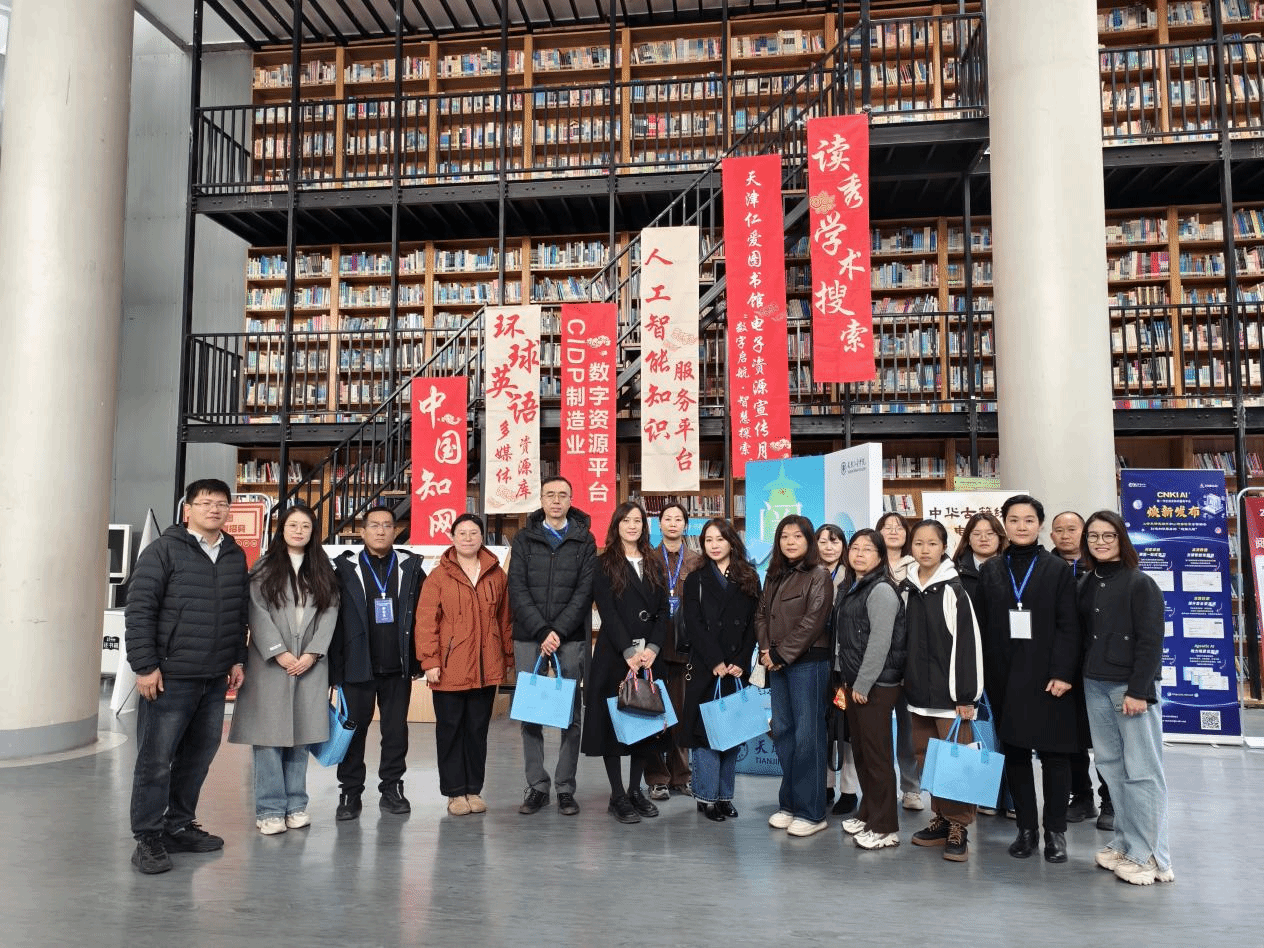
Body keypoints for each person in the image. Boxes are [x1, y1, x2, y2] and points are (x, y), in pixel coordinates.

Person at [125, 478, 249, 874]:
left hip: (213, 677)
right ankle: (147, 837)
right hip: (170, 675)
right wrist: (145, 666)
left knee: (198, 756)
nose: (214, 509)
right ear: (188, 509)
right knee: (157, 760)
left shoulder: (233, 554)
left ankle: (177, 826)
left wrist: (237, 658)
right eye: (206, 502)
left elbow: (238, 613)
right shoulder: (163, 550)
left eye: (221, 503)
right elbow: (139, 610)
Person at [975, 494, 1081, 863]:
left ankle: (1055, 832)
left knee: (1055, 756)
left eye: (1029, 520)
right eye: (1014, 520)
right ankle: (1026, 829)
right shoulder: (991, 570)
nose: (1021, 526)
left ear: (1040, 525)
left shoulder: (1056, 569)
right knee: (1015, 753)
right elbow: (981, 627)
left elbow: (1070, 626)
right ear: (1004, 524)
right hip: (1004, 677)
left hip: (1049, 678)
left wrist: (1062, 673)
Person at [228, 504, 339, 835]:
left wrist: (313, 653)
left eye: (305, 526)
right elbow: (256, 611)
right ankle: (270, 809)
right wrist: (279, 652)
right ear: (282, 529)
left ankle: (296, 805)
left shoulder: (323, 568)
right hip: (270, 665)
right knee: (268, 738)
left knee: (301, 738)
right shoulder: (265, 567)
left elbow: (330, 612)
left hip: (310, 664)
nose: (299, 531)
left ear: (313, 532)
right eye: (293, 525)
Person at [1077, 510, 1174, 885]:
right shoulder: (1087, 582)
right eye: (1093, 536)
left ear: (1121, 539)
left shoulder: (1140, 583)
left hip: (1129, 689)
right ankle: (1125, 843)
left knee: (1142, 771)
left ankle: (1151, 857)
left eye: (1108, 535)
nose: (1100, 542)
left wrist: (1139, 690)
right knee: (1111, 767)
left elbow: (1151, 641)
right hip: (1095, 684)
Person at [329, 507, 427, 820]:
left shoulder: (411, 568)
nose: (381, 531)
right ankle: (350, 792)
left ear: (395, 531)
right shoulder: (343, 569)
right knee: (353, 733)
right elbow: (332, 621)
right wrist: (334, 669)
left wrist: (420, 659)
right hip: (356, 666)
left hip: (397, 666)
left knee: (395, 732)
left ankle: (392, 788)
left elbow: (424, 616)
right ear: (362, 532)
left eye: (387, 525)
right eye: (374, 525)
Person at [508, 474, 597, 817]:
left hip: (569, 637)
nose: (556, 500)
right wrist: (543, 630)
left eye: (562, 494)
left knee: (570, 714)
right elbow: (517, 588)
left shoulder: (584, 539)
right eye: (550, 495)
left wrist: (557, 630)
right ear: (542, 500)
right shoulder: (524, 538)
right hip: (529, 636)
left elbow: (584, 591)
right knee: (530, 712)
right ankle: (537, 785)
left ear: (571, 500)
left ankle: (565, 787)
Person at [415, 514, 513, 817]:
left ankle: (474, 789)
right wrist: (429, 660)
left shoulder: (497, 575)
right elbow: (426, 622)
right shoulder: (438, 576)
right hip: (449, 668)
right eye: (462, 533)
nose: (468, 538)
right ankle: (455, 792)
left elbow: (505, 621)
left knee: (477, 731)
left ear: (482, 537)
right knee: (450, 731)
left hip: (486, 667)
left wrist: (508, 658)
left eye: (474, 533)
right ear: (452, 537)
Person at [581, 502, 670, 824]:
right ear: (616, 525)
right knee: (613, 727)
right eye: (626, 520)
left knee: (643, 725)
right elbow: (608, 612)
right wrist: (628, 652)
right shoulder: (603, 563)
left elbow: (663, 610)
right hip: (615, 655)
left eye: (638, 521)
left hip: (649, 657)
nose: (632, 526)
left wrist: (654, 648)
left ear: (645, 526)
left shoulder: (655, 562)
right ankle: (617, 795)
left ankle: (635, 791)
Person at [902, 519, 983, 862]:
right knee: (929, 760)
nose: (925, 550)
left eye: (932, 543)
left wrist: (966, 696)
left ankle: (959, 826)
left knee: (957, 763)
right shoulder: (907, 587)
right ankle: (940, 818)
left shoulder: (953, 590)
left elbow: (968, 645)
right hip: (918, 695)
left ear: (944, 547)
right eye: (918, 543)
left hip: (951, 699)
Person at [757, 514, 833, 838]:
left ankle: (812, 812)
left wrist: (779, 654)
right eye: (784, 536)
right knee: (784, 733)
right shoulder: (773, 575)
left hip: (808, 664)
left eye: (797, 536)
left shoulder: (819, 575)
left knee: (808, 737)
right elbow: (761, 615)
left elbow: (813, 622)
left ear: (809, 540)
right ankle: (788, 804)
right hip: (778, 664)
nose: (790, 542)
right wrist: (766, 650)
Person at [680, 518, 760, 822]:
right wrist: (715, 660)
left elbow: (754, 623)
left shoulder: (749, 577)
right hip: (706, 666)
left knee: (732, 733)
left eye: (720, 539)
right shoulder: (696, 579)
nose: (714, 545)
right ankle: (706, 797)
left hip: (736, 668)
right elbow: (693, 623)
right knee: (706, 734)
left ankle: (725, 796)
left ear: (731, 542)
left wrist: (741, 659)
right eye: (708, 540)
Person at [833, 528, 907, 850]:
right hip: (855, 683)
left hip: (875, 685)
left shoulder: (881, 590)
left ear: (880, 556)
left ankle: (886, 827)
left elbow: (880, 642)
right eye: (855, 548)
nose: (859, 554)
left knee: (877, 757)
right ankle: (868, 814)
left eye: (867, 549)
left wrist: (863, 683)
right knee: (862, 755)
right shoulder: (855, 586)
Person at [1051, 509, 1114, 830]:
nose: (1065, 535)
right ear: (1051, 535)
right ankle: (1082, 796)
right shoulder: (1046, 568)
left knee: (1104, 738)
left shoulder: (1101, 568)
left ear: (1085, 533)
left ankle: (1111, 801)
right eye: (1059, 530)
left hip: (1097, 666)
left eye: (1072, 529)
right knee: (1070, 738)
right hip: (1061, 668)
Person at [644, 503, 701, 801]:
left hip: (684, 648)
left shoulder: (696, 560)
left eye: (679, 519)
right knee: (653, 713)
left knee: (681, 714)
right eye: (667, 518)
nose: (673, 523)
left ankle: (681, 776)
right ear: (659, 524)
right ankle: (657, 778)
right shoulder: (648, 559)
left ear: (685, 525)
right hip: (653, 647)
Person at [875, 511, 922, 811]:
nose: (893, 531)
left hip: (910, 657)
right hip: (877, 658)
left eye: (899, 527)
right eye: (886, 527)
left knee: (909, 729)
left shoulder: (918, 567)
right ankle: (881, 789)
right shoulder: (870, 564)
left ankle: (911, 788)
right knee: (877, 731)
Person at [816, 523, 859, 816]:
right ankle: (826, 785)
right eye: (823, 541)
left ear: (843, 546)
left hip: (845, 666)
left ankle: (849, 790)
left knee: (847, 731)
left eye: (835, 541)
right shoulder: (810, 574)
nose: (829, 547)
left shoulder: (852, 577)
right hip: (817, 662)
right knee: (823, 727)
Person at [951, 510, 1006, 605]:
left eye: (990, 533)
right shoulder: (954, 573)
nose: (983, 539)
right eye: (977, 534)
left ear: (1000, 538)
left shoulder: (1012, 568)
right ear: (968, 539)